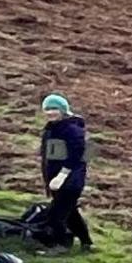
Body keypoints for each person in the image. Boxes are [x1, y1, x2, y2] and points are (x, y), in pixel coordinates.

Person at [32, 92, 92, 249]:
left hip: (70, 181)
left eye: (54, 109)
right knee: (71, 213)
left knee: (56, 215)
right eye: (47, 109)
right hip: (57, 180)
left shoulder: (72, 129)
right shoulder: (53, 128)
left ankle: (62, 245)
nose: (50, 112)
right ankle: (86, 243)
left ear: (63, 110)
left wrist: (62, 175)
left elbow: (77, 155)